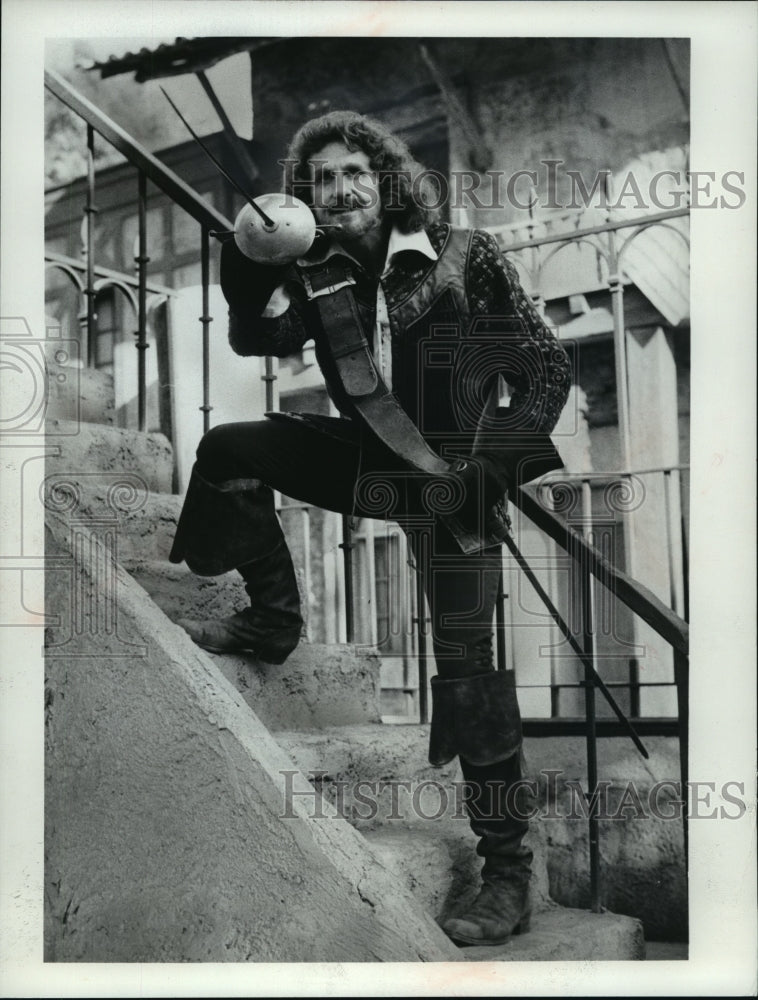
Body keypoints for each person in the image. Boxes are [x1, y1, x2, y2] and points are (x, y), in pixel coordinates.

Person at [169, 110, 572, 947]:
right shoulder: (322, 278)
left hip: (456, 479)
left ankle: (507, 876)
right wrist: (242, 263)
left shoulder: (465, 255)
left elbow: (546, 367)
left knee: (470, 673)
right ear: (309, 198)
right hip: (368, 461)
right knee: (230, 448)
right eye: (322, 179)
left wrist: (489, 468)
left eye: (355, 171)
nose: (341, 188)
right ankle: (276, 615)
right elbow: (256, 338)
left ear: (385, 179)